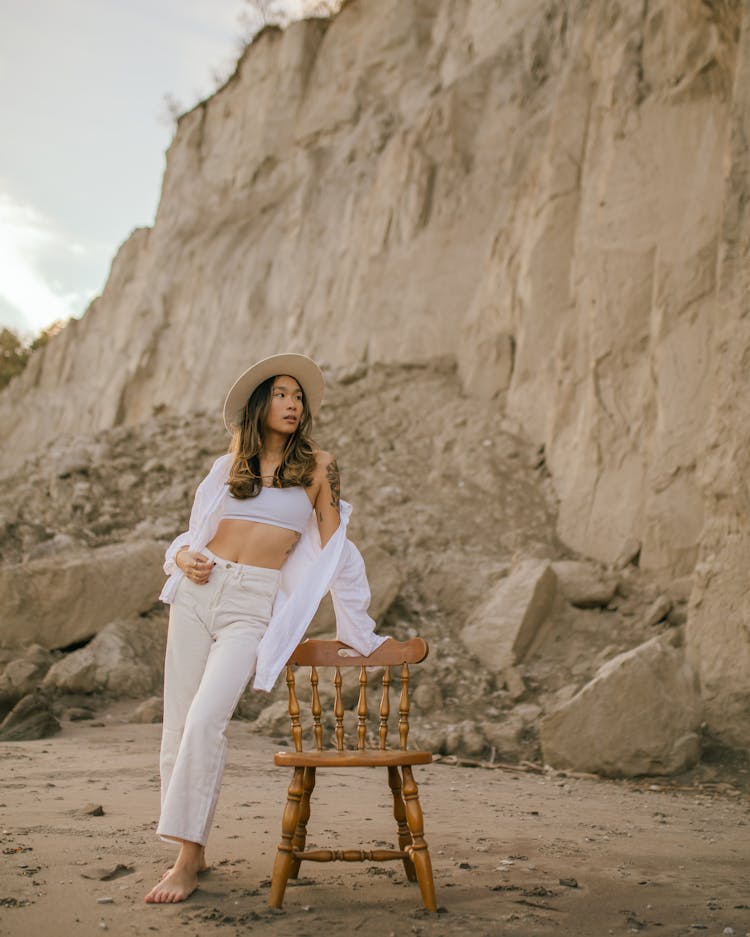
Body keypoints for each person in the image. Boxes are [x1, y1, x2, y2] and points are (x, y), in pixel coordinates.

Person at [145, 353, 386, 904]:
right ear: (260, 404)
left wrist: (358, 625)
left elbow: (335, 553)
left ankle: (183, 861)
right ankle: (193, 848)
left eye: (298, 396)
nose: (293, 403)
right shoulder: (225, 468)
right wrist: (181, 558)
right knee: (179, 726)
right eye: (281, 393)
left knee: (207, 721)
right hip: (197, 594)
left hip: (250, 604)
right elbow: (190, 538)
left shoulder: (319, 468)